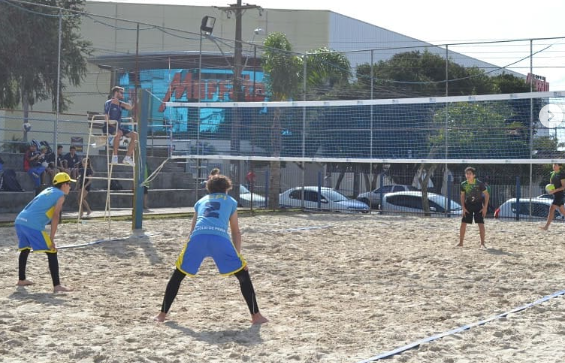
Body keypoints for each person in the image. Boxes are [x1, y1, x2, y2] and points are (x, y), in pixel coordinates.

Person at [154, 174, 268, 325]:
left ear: (209, 190)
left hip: (198, 238)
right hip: (219, 238)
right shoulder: (231, 202)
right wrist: (238, 257)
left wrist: (189, 248)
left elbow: (192, 229)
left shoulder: (200, 202)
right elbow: (236, 231)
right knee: (243, 275)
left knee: (177, 275)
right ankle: (256, 316)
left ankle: (162, 315)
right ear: (226, 189)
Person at [15, 172, 74, 292]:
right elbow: (55, 217)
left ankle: (21, 280)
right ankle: (57, 286)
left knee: (25, 249)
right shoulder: (60, 195)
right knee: (52, 251)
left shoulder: (48, 190)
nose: (70, 187)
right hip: (32, 224)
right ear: (63, 185)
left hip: (20, 220)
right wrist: (51, 238)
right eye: (69, 184)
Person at [104, 86, 137, 166]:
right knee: (118, 133)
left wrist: (120, 103)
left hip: (119, 128)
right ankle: (114, 157)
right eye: (121, 93)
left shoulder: (120, 104)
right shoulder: (109, 103)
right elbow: (106, 119)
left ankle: (127, 158)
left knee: (135, 135)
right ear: (116, 93)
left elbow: (130, 107)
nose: (123, 94)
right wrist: (115, 127)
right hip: (109, 127)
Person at [458, 166, 489, 248]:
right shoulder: (463, 184)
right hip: (468, 205)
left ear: (474, 175)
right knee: (463, 223)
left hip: (478, 205)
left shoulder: (479, 183)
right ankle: (461, 243)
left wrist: (485, 207)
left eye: (470, 174)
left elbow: (486, 195)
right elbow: (462, 196)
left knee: (481, 224)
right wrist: (463, 207)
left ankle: (482, 244)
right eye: (466, 174)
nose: (468, 175)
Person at [540, 163, 565, 230]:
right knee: (563, 211)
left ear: (560, 166)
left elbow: (563, 187)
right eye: (553, 164)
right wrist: (550, 190)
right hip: (555, 194)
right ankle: (546, 227)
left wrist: (555, 190)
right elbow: (551, 185)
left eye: (556, 164)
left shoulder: (561, 174)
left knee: (551, 209)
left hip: (559, 194)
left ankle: (546, 226)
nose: (554, 166)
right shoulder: (552, 173)